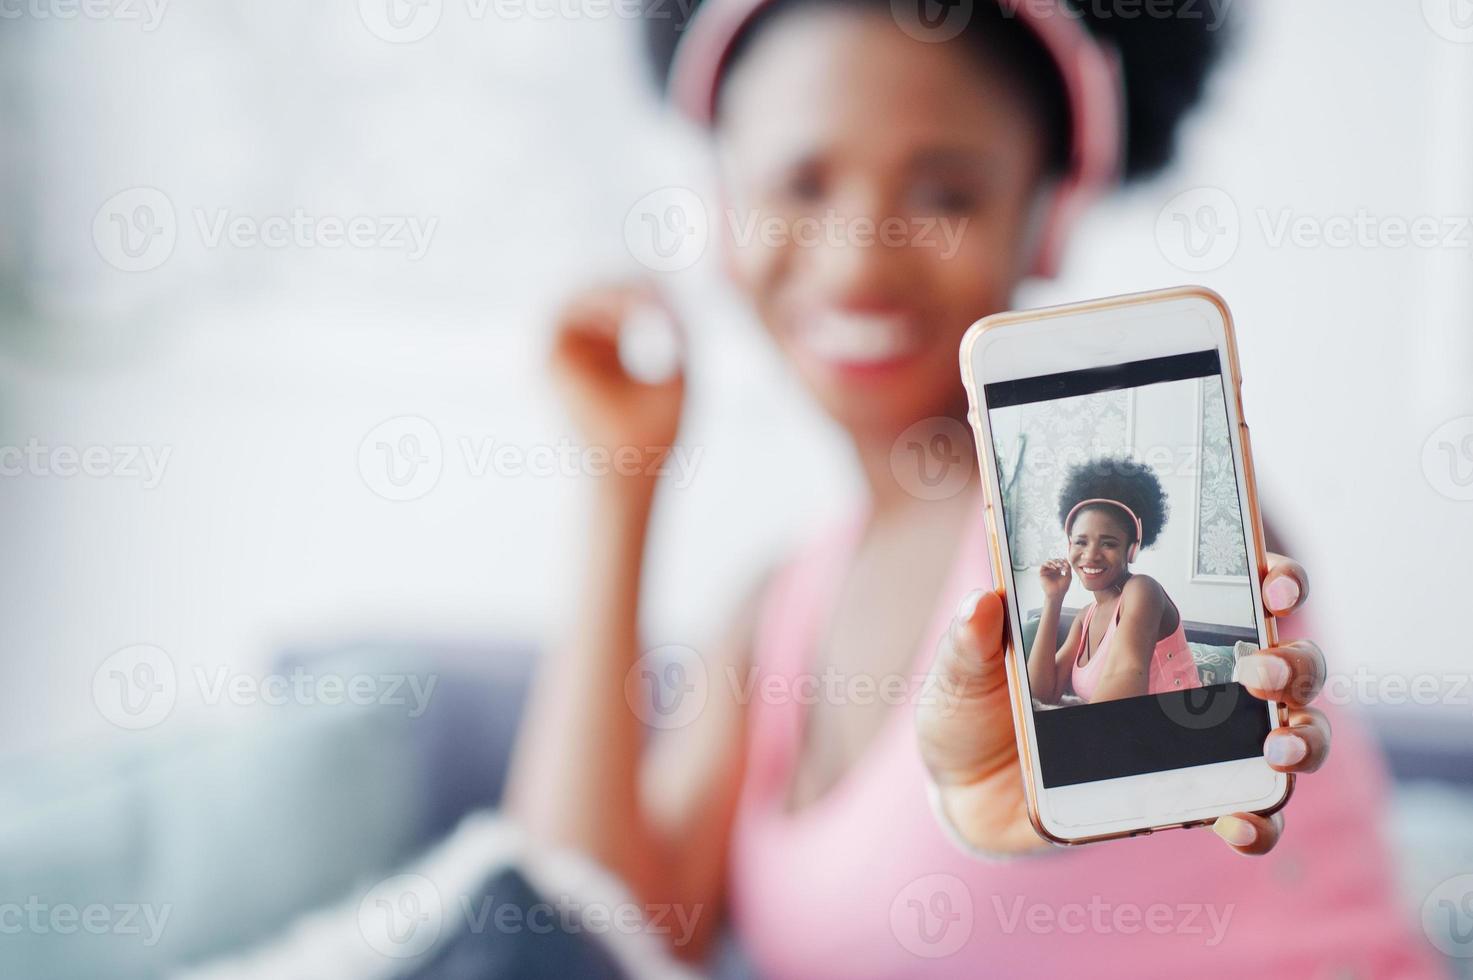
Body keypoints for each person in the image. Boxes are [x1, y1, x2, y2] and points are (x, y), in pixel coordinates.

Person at [506, 0, 1438, 975]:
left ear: (1047, 219)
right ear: (727, 216)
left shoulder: (1117, 508)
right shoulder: (776, 609)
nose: (860, 255)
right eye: (798, 184)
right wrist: (622, 479)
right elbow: (592, 928)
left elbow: (1165, 699)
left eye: (946, 194)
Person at [1030, 457, 1203, 705]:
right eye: (1080, 541)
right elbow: (1041, 692)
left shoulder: (1143, 591)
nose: (1090, 554)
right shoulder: (1085, 617)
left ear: (1131, 550)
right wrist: (1053, 599)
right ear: (1070, 545)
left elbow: (1124, 679)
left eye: (1108, 543)